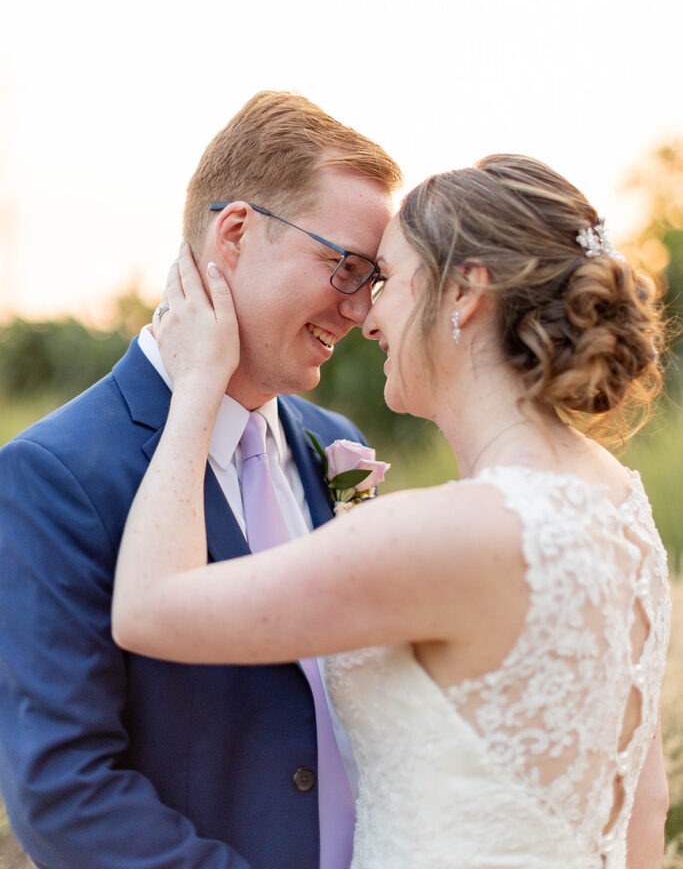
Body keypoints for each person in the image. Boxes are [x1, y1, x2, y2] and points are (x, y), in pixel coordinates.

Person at [113, 154, 671, 869]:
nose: (366, 314)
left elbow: (149, 609)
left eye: (388, 281)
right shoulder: (621, 505)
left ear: (464, 291)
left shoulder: (447, 531)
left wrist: (196, 381)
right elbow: (640, 805)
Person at [0, 91, 402, 869]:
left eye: (372, 280)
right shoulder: (53, 475)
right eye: (343, 266)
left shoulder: (336, 444)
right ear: (236, 234)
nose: (356, 309)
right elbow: (66, 793)